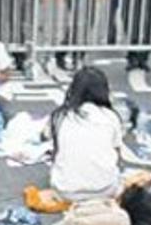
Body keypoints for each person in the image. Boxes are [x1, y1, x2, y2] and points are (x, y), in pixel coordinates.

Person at [49, 67, 124, 201]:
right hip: (104, 190)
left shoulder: (60, 116)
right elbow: (116, 153)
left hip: (65, 191)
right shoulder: (111, 116)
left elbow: (56, 151)